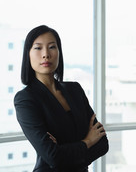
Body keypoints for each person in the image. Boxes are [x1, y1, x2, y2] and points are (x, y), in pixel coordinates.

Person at [14, 25, 109, 172]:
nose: (46, 54)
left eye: (52, 47)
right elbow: (53, 156)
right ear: (28, 54)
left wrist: (63, 152)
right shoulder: (25, 99)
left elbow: (102, 144)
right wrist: (88, 141)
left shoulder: (75, 90)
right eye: (38, 48)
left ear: (59, 52)